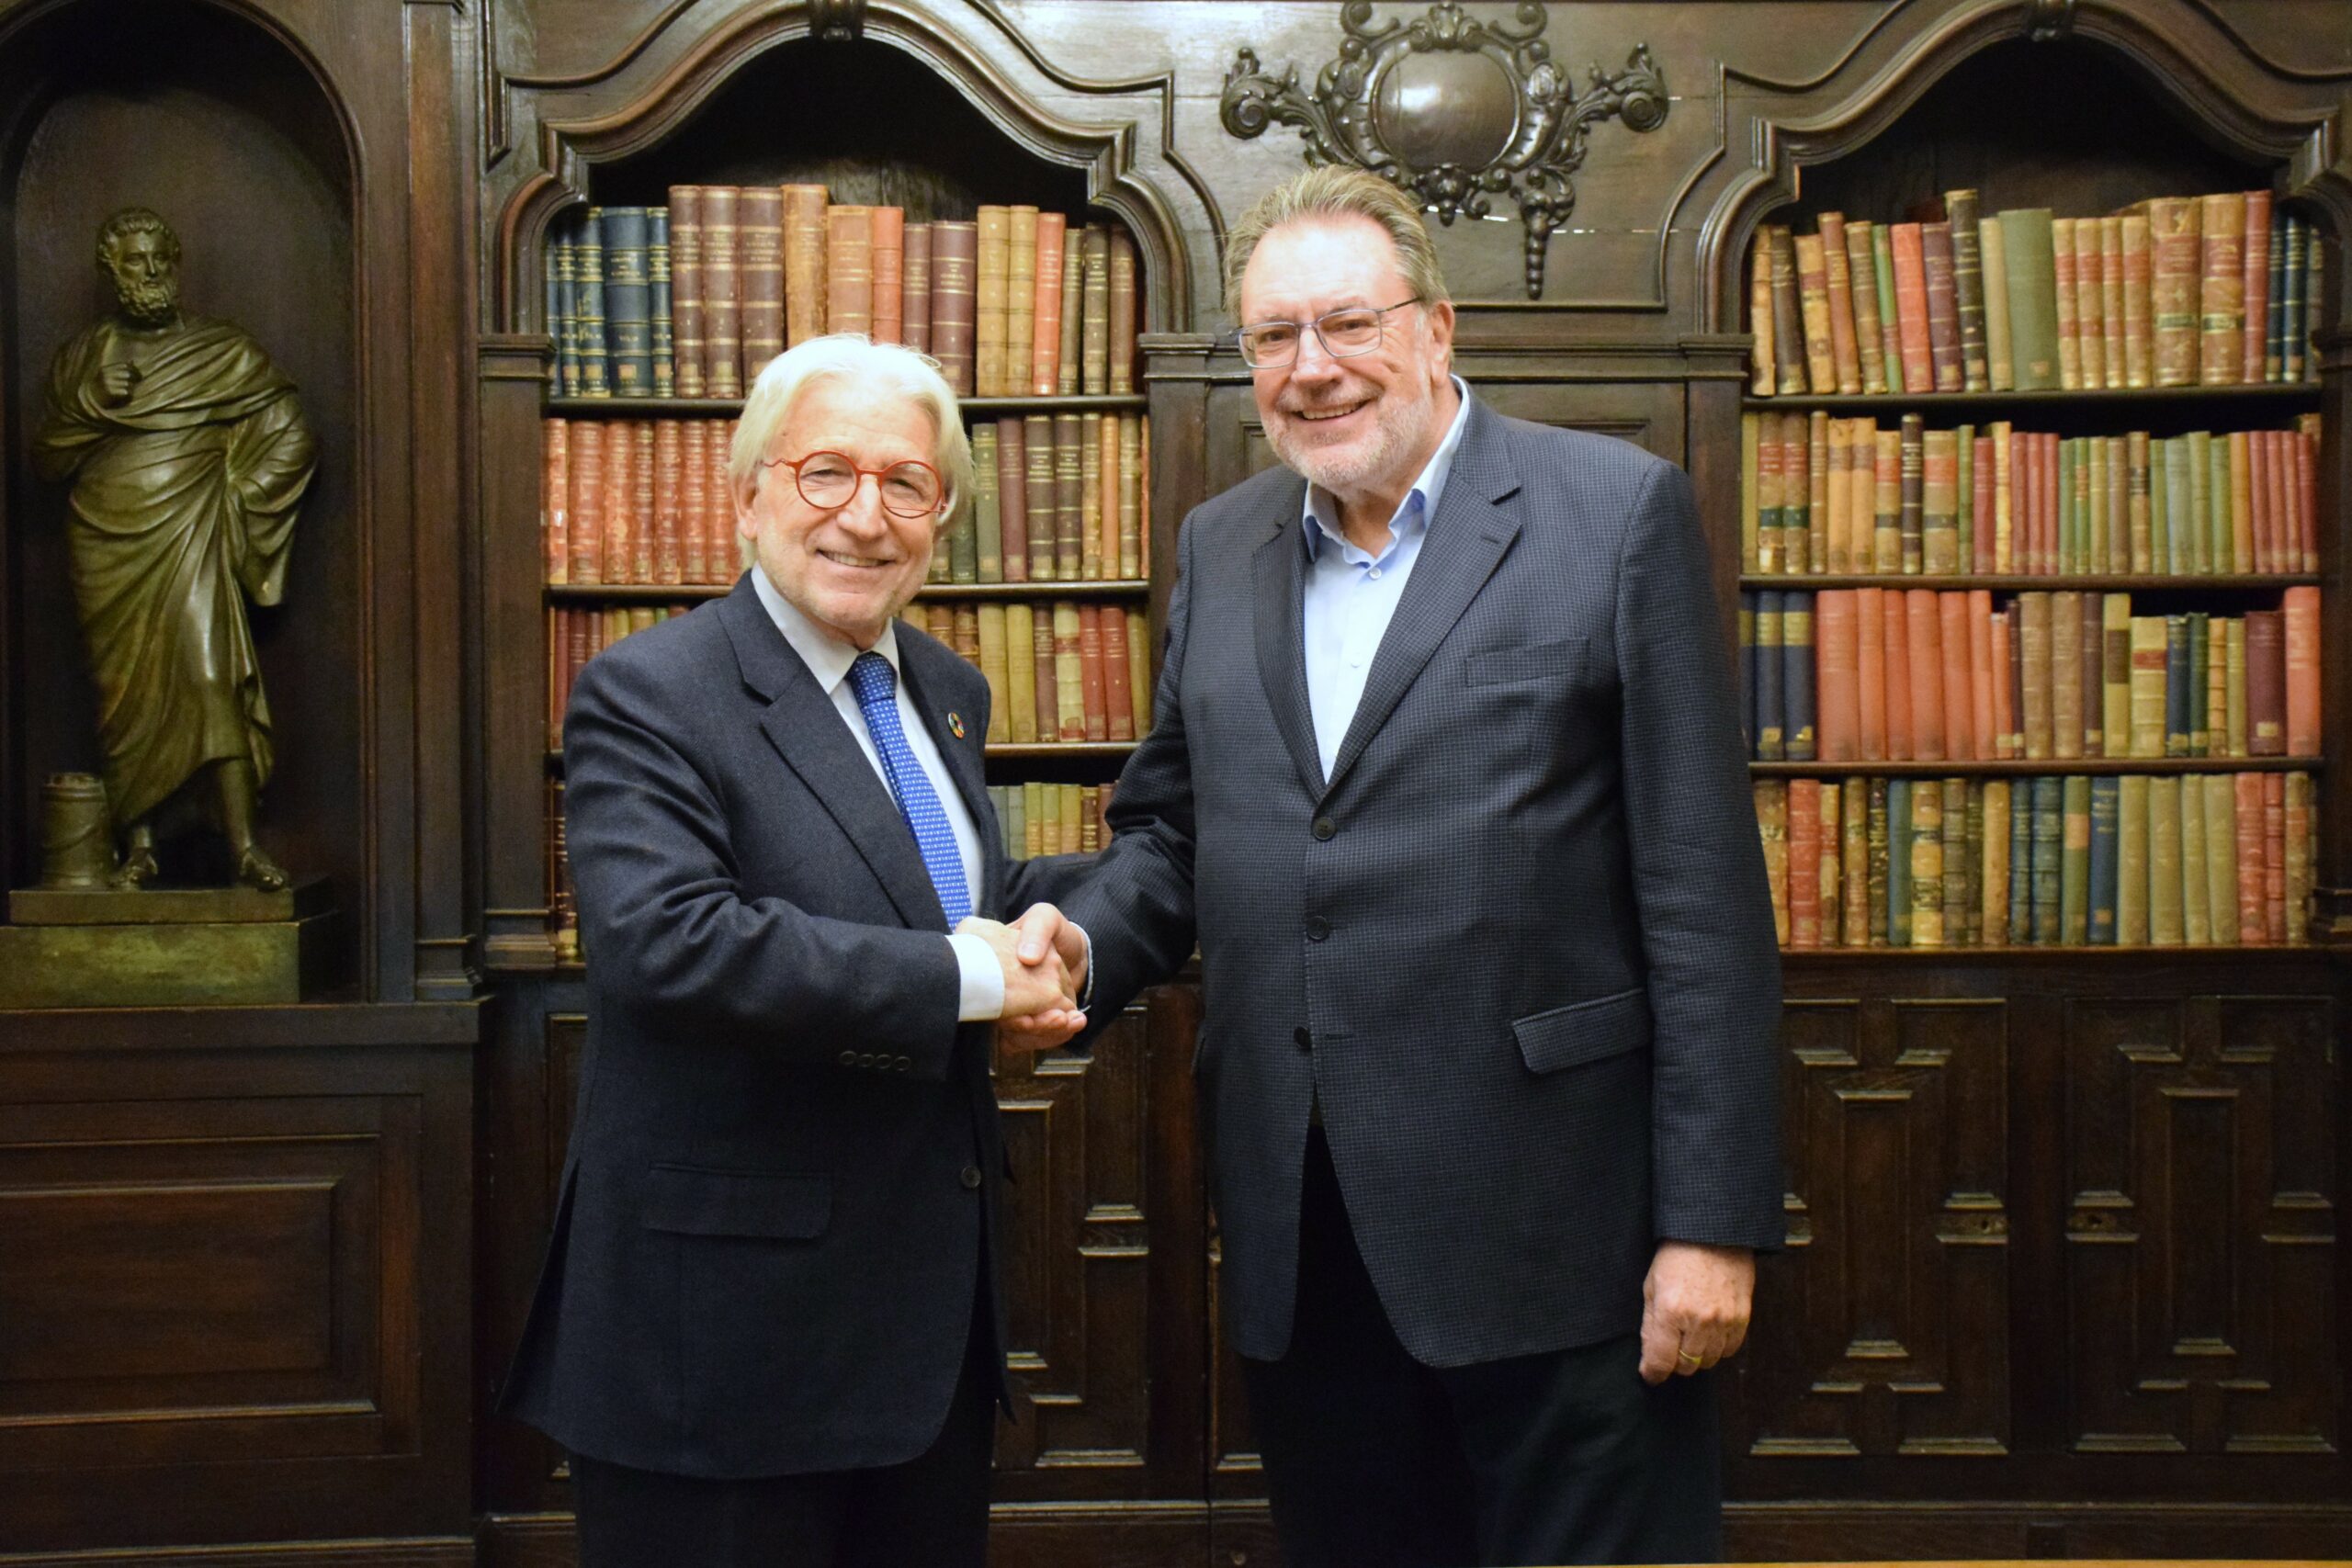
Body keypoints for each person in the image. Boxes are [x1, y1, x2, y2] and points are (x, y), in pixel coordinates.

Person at [1020, 167, 1782, 1566]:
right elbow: (1173, 833)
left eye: (1348, 323)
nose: (1310, 367)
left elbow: (1703, 899)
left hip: (1565, 1234)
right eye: (1274, 335)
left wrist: (1712, 1226)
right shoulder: (1222, 545)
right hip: (1307, 1234)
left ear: (1435, 328)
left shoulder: (1613, 511)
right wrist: (1078, 949)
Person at [501, 333, 1086, 1568]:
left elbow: (934, 897)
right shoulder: (651, 690)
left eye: (906, 483)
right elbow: (669, 944)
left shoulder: (946, 690)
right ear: (749, 493)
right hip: (721, 1348)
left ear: (942, 517)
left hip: (922, 1338)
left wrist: (1055, 935)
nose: (865, 517)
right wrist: (980, 978)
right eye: (826, 472)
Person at [34, 207, 319, 890]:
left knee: (212, 676)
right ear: (112, 271)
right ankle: (138, 848)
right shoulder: (82, 359)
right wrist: (92, 404)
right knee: (122, 698)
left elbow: (293, 432)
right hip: (106, 546)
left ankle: (243, 846)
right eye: (135, 260)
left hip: (192, 533)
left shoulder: (223, 351)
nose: (151, 271)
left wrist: (237, 499)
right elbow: (46, 460)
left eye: (161, 257)